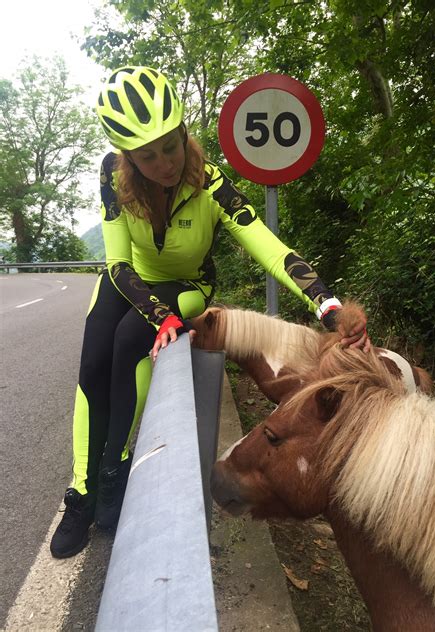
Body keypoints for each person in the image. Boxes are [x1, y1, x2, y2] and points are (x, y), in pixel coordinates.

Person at [50, 66, 370, 559]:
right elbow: (116, 264)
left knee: (129, 339)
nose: (164, 163)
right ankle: (82, 493)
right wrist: (161, 314)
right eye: (148, 155)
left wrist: (327, 303)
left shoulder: (211, 181)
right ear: (128, 159)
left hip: (189, 286)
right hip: (131, 280)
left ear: (184, 134)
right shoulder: (111, 178)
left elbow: (268, 246)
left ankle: (112, 476)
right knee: (95, 354)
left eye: (171, 146)